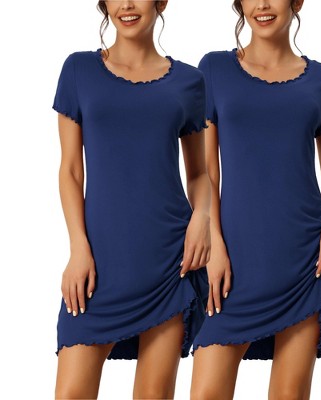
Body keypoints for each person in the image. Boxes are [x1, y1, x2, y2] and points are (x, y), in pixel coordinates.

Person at [52, 1, 211, 398]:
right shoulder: (78, 70)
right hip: (98, 263)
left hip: (169, 261)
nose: (126, 5)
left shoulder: (190, 82)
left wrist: (202, 218)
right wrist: (78, 248)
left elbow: (199, 174)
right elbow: (70, 171)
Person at [190, 0, 321, 399]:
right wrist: (214, 246)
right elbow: (207, 173)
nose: (262, 4)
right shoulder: (214, 69)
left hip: (304, 259)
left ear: (297, 2)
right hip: (231, 260)